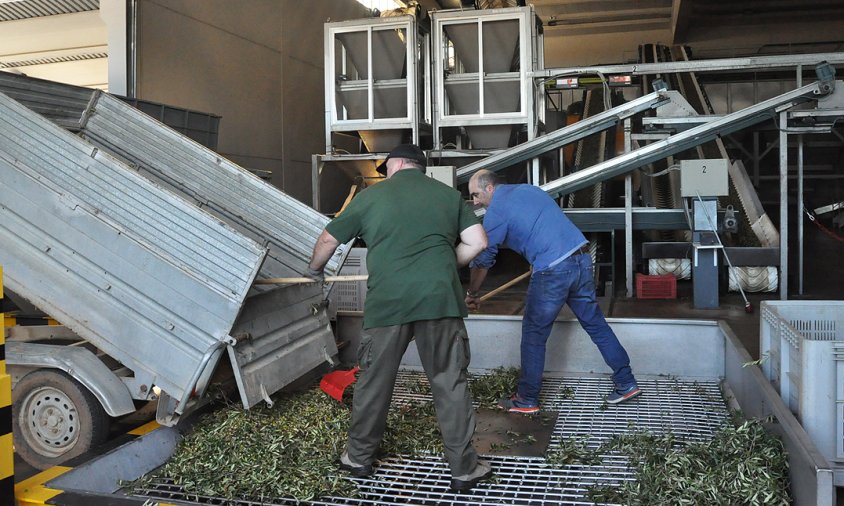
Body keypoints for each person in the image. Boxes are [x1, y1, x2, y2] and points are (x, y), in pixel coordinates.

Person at [305, 144, 493, 491]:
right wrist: (442, 266)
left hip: (388, 304)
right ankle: (464, 469)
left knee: (375, 382)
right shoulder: (448, 196)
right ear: (420, 167)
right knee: (449, 382)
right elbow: (478, 241)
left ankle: (357, 459)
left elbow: (330, 238)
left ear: (394, 165)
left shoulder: (371, 196)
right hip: (440, 301)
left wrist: (314, 271)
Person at [464, 169, 641, 414]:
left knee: (534, 333)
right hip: (581, 258)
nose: (475, 201)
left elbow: (484, 257)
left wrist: (472, 293)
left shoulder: (496, 212)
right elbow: (541, 225)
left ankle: (526, 399)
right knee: (596, 324)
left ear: (490, 188)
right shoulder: (529, 189)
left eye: (475, 195)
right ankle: (626, 382)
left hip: (554, 271)